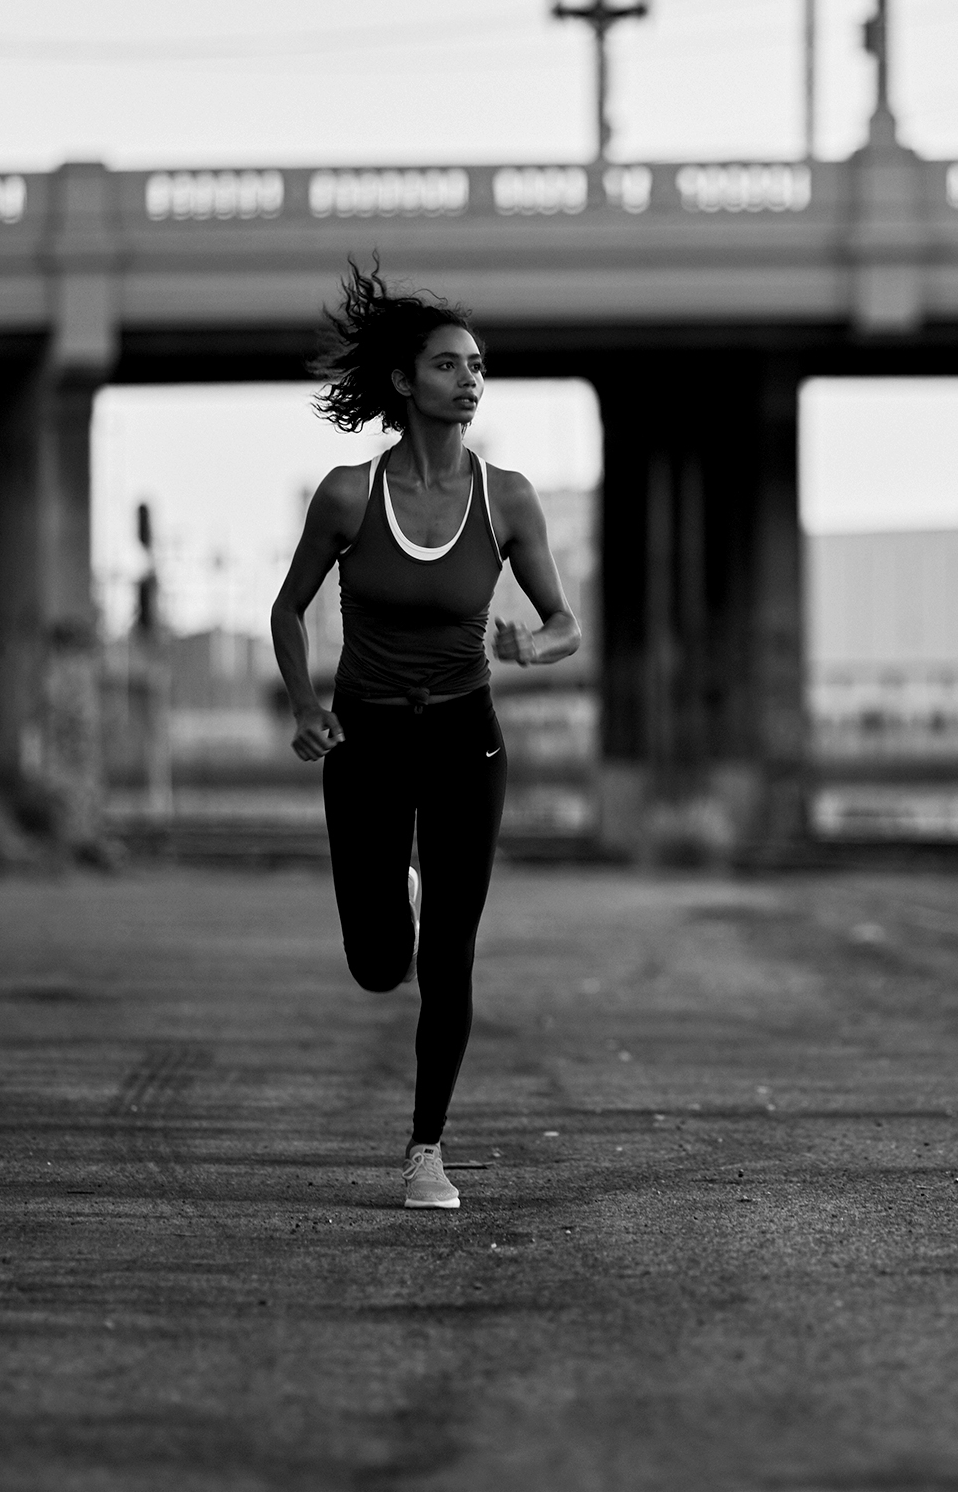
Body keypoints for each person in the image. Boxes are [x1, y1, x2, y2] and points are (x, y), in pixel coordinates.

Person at [270, 260, 580, 1210]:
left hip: (464, 740)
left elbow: (568, 623)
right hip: (364, 738)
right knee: (377, 964)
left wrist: (532, 646)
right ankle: (390, 901)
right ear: (405, 382)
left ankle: (426, 1151)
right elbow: (287, 614)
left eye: (478, 365)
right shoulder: (346, 495)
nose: (470, 378)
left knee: (451, 952)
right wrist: (305, 706)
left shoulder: (509, 496)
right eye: (449, 364)